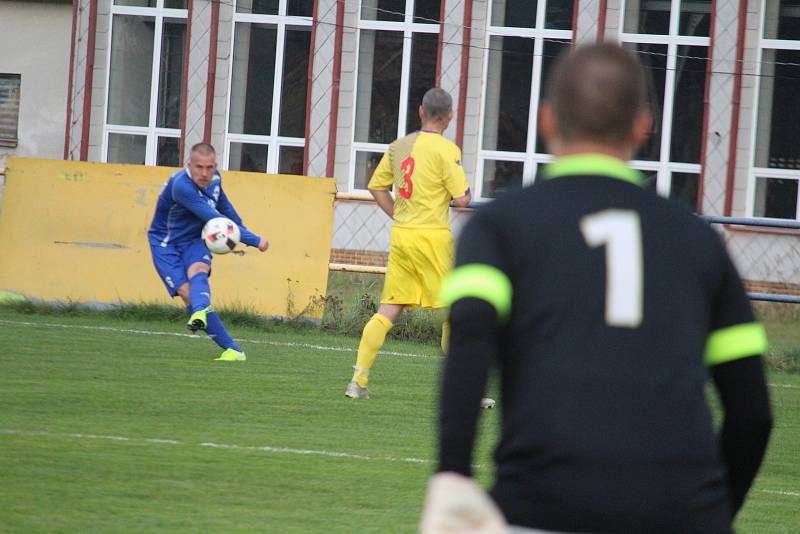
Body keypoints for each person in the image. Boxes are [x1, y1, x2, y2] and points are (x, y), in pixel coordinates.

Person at [422, 44, 773, 533]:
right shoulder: (697, 240)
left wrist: (452, 479)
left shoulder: (501, 225)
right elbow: (753, 415)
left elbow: (471, 342)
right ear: (642, 126)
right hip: (683, 514)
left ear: (547, 120)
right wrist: (712, 512)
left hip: (540, 506)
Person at [344, 88, 472, 400]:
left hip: (402, 235)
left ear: (420, 112)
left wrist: (398, 214)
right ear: (450, 116)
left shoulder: (398, 146)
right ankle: (463, 391)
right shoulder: (447, 150)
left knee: (389, 308)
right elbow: (461, 198)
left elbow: (376, 186)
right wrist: (463, 196)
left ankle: (358, 381)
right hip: (432, 237)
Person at [148, 142, 269, 361]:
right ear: (189, 166)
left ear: (215, 166)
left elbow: (227, 210)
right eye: (199, 167)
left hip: (195, 239)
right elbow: (215, 218)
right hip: (166, 244)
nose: (205, 173)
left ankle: (229, 347)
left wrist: (242, 233)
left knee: (199, 270)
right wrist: (254, 240)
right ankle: (230, 345)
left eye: (210, 167)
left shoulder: (215, 180)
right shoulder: (180, 186)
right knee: (187, 293)